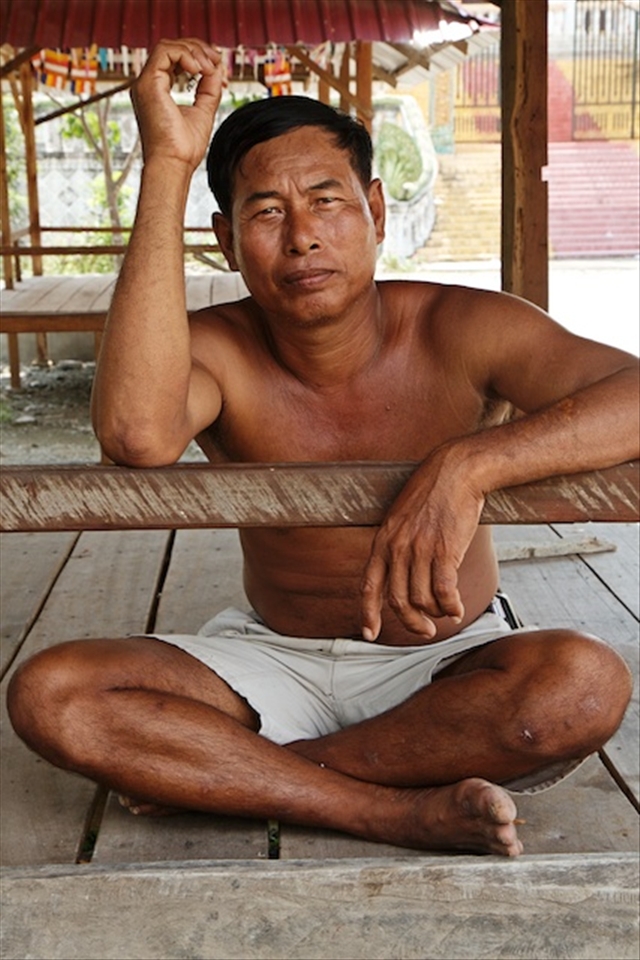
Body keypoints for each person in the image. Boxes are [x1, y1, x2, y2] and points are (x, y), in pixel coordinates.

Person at [7, 39, 638, 857]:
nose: (302, 236)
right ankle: (386, 810)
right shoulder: (217, 348)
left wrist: (470, 463)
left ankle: (255, 776)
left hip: (448, 662)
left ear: (376, 209)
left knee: (583, 685)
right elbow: (137, 435)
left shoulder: (463, 326)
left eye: (327, 200)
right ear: (227, 242)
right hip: (269, 660)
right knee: (52, 694)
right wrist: (167, 158)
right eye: (265, 212)